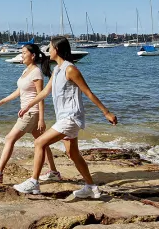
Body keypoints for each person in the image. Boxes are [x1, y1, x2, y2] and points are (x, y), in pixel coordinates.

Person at [13, 36, 118, 198]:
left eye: (50, 47)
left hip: (71, 117)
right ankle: (91, 186)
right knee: (73, 154)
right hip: (63, 118)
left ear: (57, 50)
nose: (48, 50)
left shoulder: (70, 69)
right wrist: (28, 105)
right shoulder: (57, 70)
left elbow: (88, 92)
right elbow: (45, 92)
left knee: (39, 142)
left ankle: (34, 182)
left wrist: (106, 112)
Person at [0, 43, 60, 184]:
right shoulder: (26, 71)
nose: (22, 55)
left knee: (9, 138)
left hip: (31, 113)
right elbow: (20, 91)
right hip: (29, 113)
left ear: (33, 55)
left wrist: (41, 119)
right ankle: (54, 172)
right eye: (22, 52)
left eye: (24, 53)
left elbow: (41, 96)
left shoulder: (36, 72)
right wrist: (2, 101)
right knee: (43, 144)